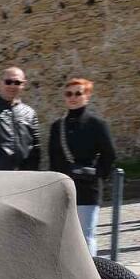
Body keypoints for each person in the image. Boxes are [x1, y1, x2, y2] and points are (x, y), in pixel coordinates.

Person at [49, 78, 117, 256]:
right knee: (64, 235)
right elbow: (53, 158)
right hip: (63, 188)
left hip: (88, 188)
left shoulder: (97, 125)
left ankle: (90, 278)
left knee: (86, 235)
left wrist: (98, 174)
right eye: (69, 94)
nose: (73, 97)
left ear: (87, 96)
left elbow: (109, 154)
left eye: (78, 93)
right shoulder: (57, 127)